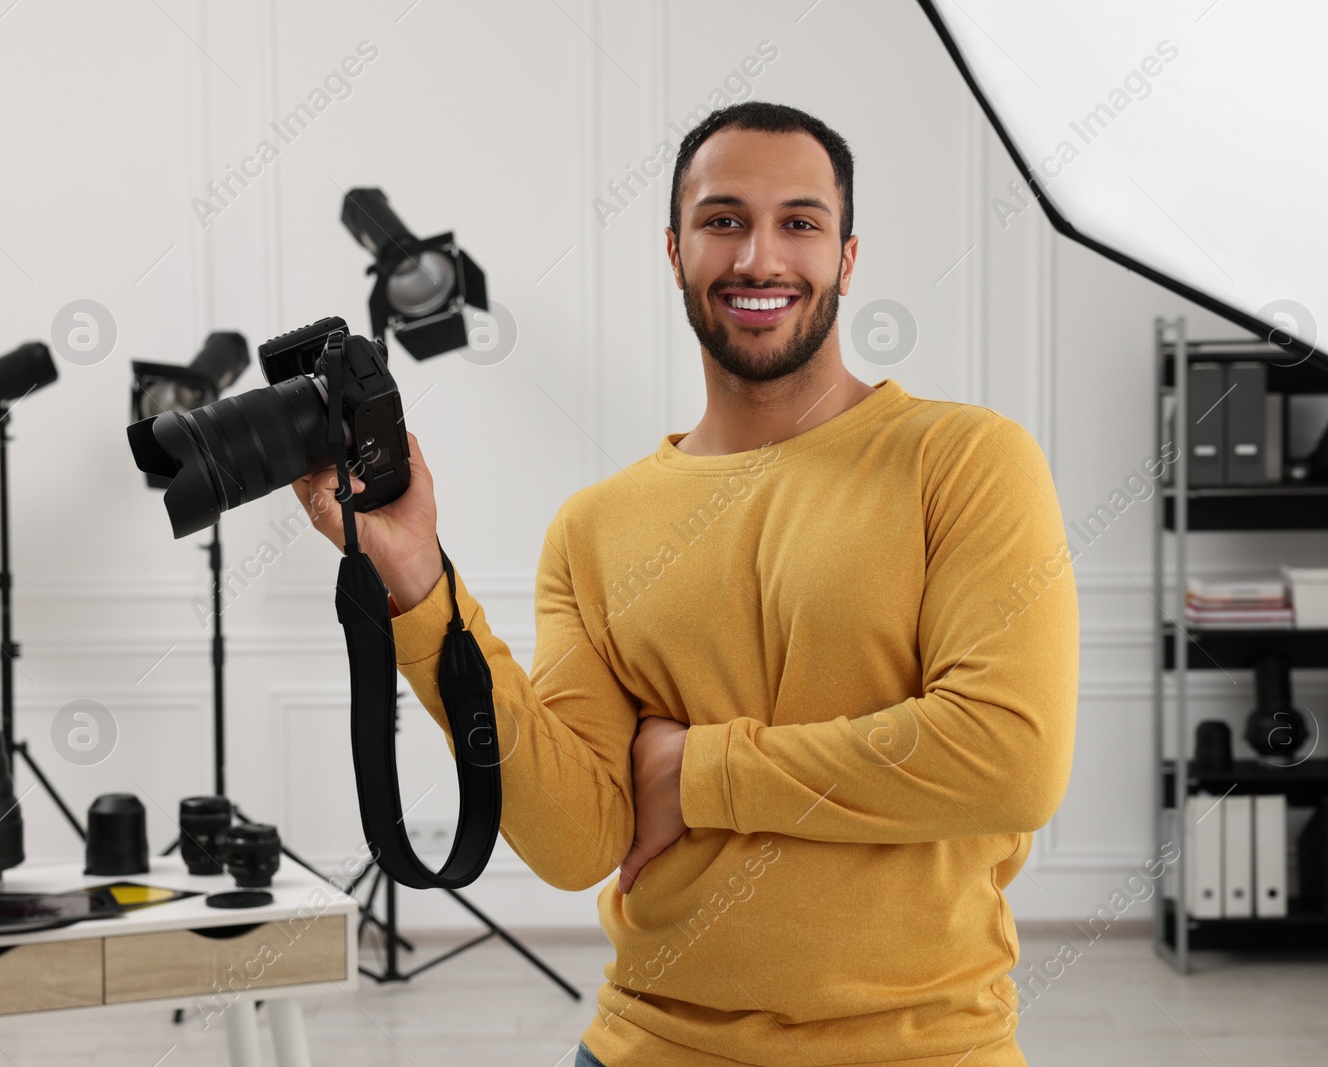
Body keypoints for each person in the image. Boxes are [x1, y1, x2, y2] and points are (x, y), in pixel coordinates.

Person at [296, 101, 1078, 1067]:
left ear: (847, 256)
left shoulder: (965, 460)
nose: (759, 258)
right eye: (723, 220)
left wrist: (693, 772)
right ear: (675, 250)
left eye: (800, 222)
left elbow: (1008, 757)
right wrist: (417, 581)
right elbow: (581, 838)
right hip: (647, 1043)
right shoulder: (594, 528)